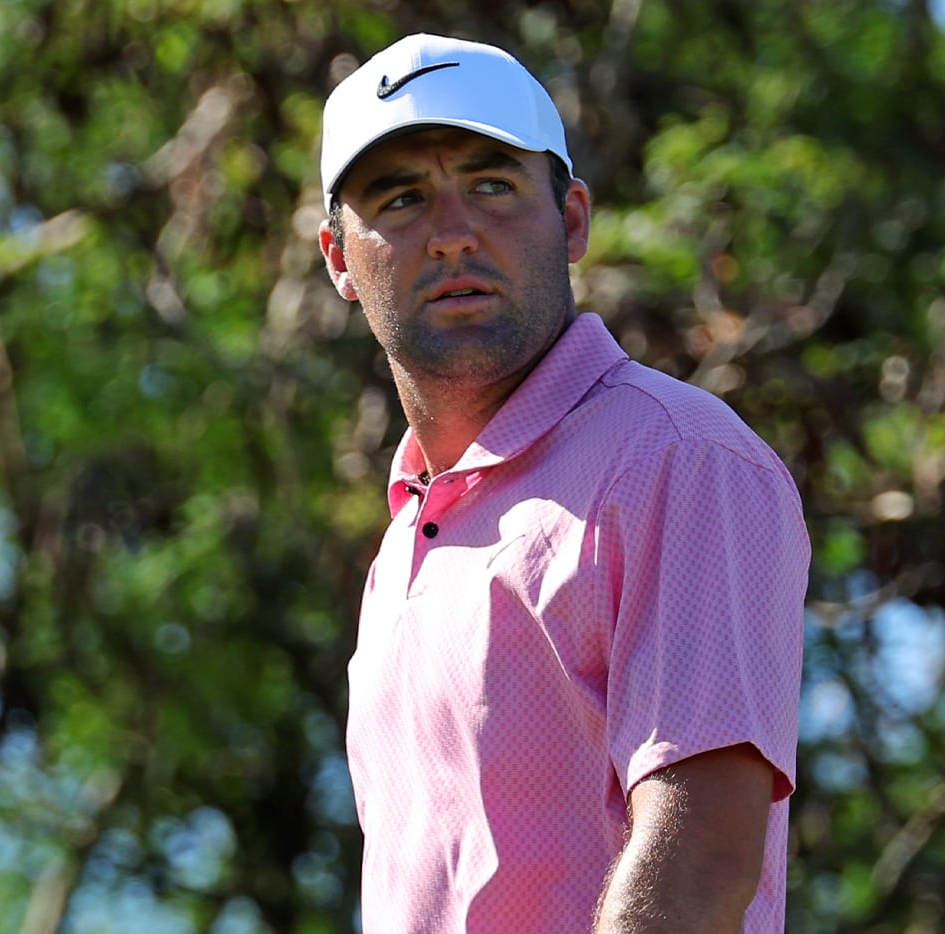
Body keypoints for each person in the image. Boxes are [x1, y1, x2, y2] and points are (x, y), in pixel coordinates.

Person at [315, 34, 810, 932]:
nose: (455, 230)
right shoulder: (404, 539)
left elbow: (703, 858)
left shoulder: (679, 457)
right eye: (400, 198)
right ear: (340, 259)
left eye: (494, 185)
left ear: (573, 219)